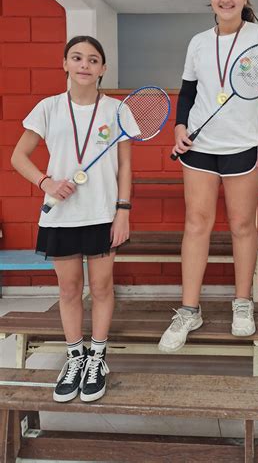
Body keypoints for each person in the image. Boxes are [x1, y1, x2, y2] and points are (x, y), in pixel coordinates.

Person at [158, 0, 258, 353]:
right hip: (200, 147)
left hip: (246, 146)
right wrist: (180, 127)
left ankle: (242, 303)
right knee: (196, 224)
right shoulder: (198, 42)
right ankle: (188, 310)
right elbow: (186, 93)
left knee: (241, 226)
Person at [11, 36, 132, 403]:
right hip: (61, 216)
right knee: (67, 290)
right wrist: (45, 182)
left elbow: (126, 164)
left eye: (93, 60)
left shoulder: (116, 110)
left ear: (103, 69)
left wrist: (123, 211)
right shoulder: (48, 108)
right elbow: (19, 156)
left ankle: (97, 356)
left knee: (101, 288)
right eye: (77, 58)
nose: (84, 65)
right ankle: (75, 356)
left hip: (101, 214)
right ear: (64, 63)